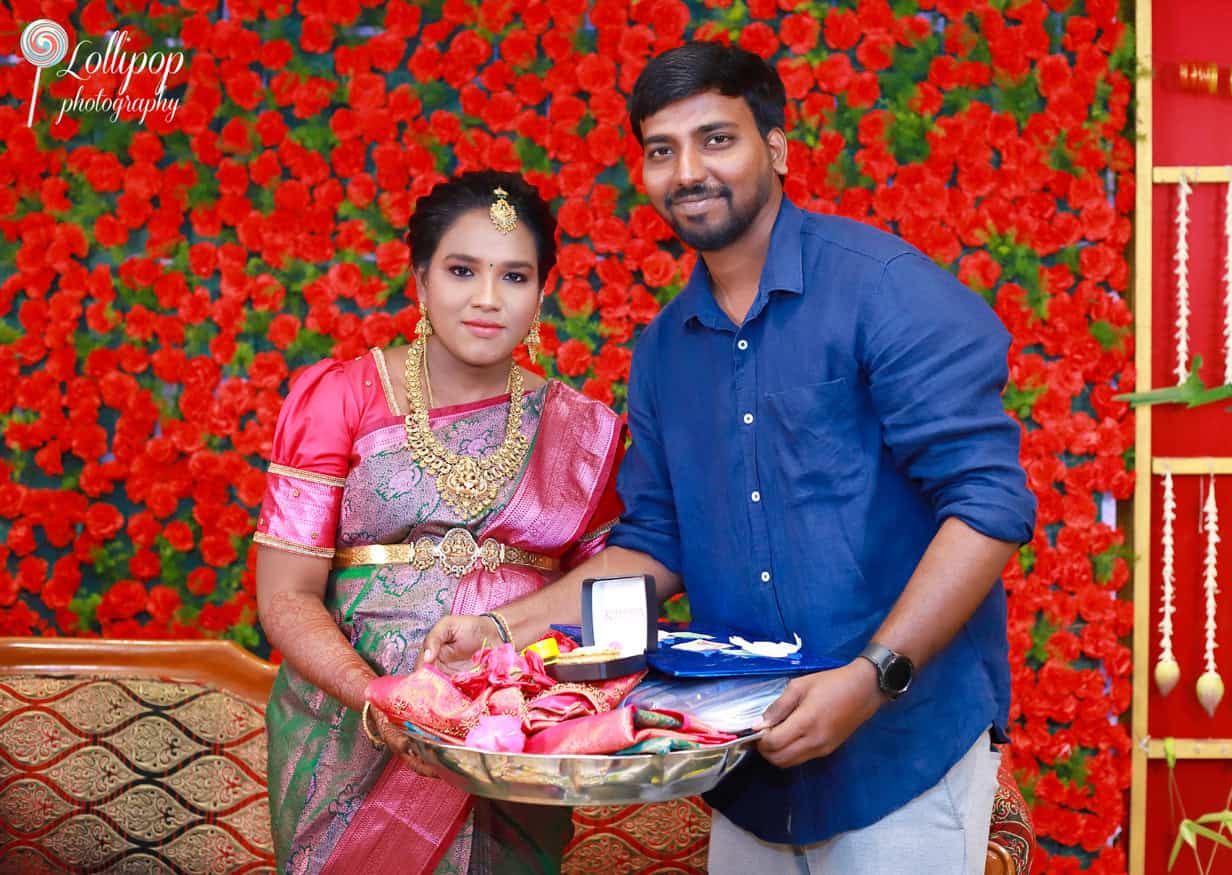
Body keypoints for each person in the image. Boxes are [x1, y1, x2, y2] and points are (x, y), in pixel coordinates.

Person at [420, 43, 1036, 875]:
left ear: (775, 149)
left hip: (898, 749)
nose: (688, 171)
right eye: (661, 150)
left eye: (716, 139)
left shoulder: (882, 289)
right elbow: (654, 545)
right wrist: (500, 630)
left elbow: (989, 506)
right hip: (748, 764)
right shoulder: (667, 350)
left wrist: (871, 676)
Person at [254, 170, 624, 875]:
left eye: (514, 276)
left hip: (506, 744)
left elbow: (605, 595)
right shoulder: (340, 397)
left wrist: (532, 702)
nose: (487, 298)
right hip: (348, 732)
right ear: (420, 279)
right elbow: (285, 593)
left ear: (542, 293)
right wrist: (376, 696)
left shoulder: (581, 431)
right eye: (462, 270)